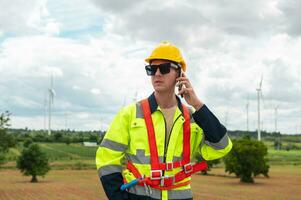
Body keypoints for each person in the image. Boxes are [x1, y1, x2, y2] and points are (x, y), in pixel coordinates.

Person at [96, 41, 232, 200]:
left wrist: (197, 104)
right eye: (152, 69)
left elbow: (222, 147)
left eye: (164, 68)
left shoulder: (194, 118)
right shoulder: (130, 114)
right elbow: (106, 159)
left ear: (180, 74)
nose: (157, 74)